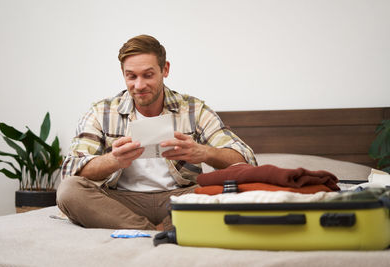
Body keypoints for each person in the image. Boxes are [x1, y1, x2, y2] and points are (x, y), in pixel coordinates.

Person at [57, 34, 257, 231]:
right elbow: (70, 171)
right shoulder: (102, 112)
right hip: (121, 203)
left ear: (165, 69)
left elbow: (246, 160)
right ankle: (155, 230)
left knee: (244, 187)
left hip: (182, 198)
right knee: (69, 191)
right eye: (131, 76)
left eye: (148, 75)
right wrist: (114, 160)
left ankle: (150, 228)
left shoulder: (194, 109)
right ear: (123, 73)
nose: (139, 85)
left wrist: (204, 153)